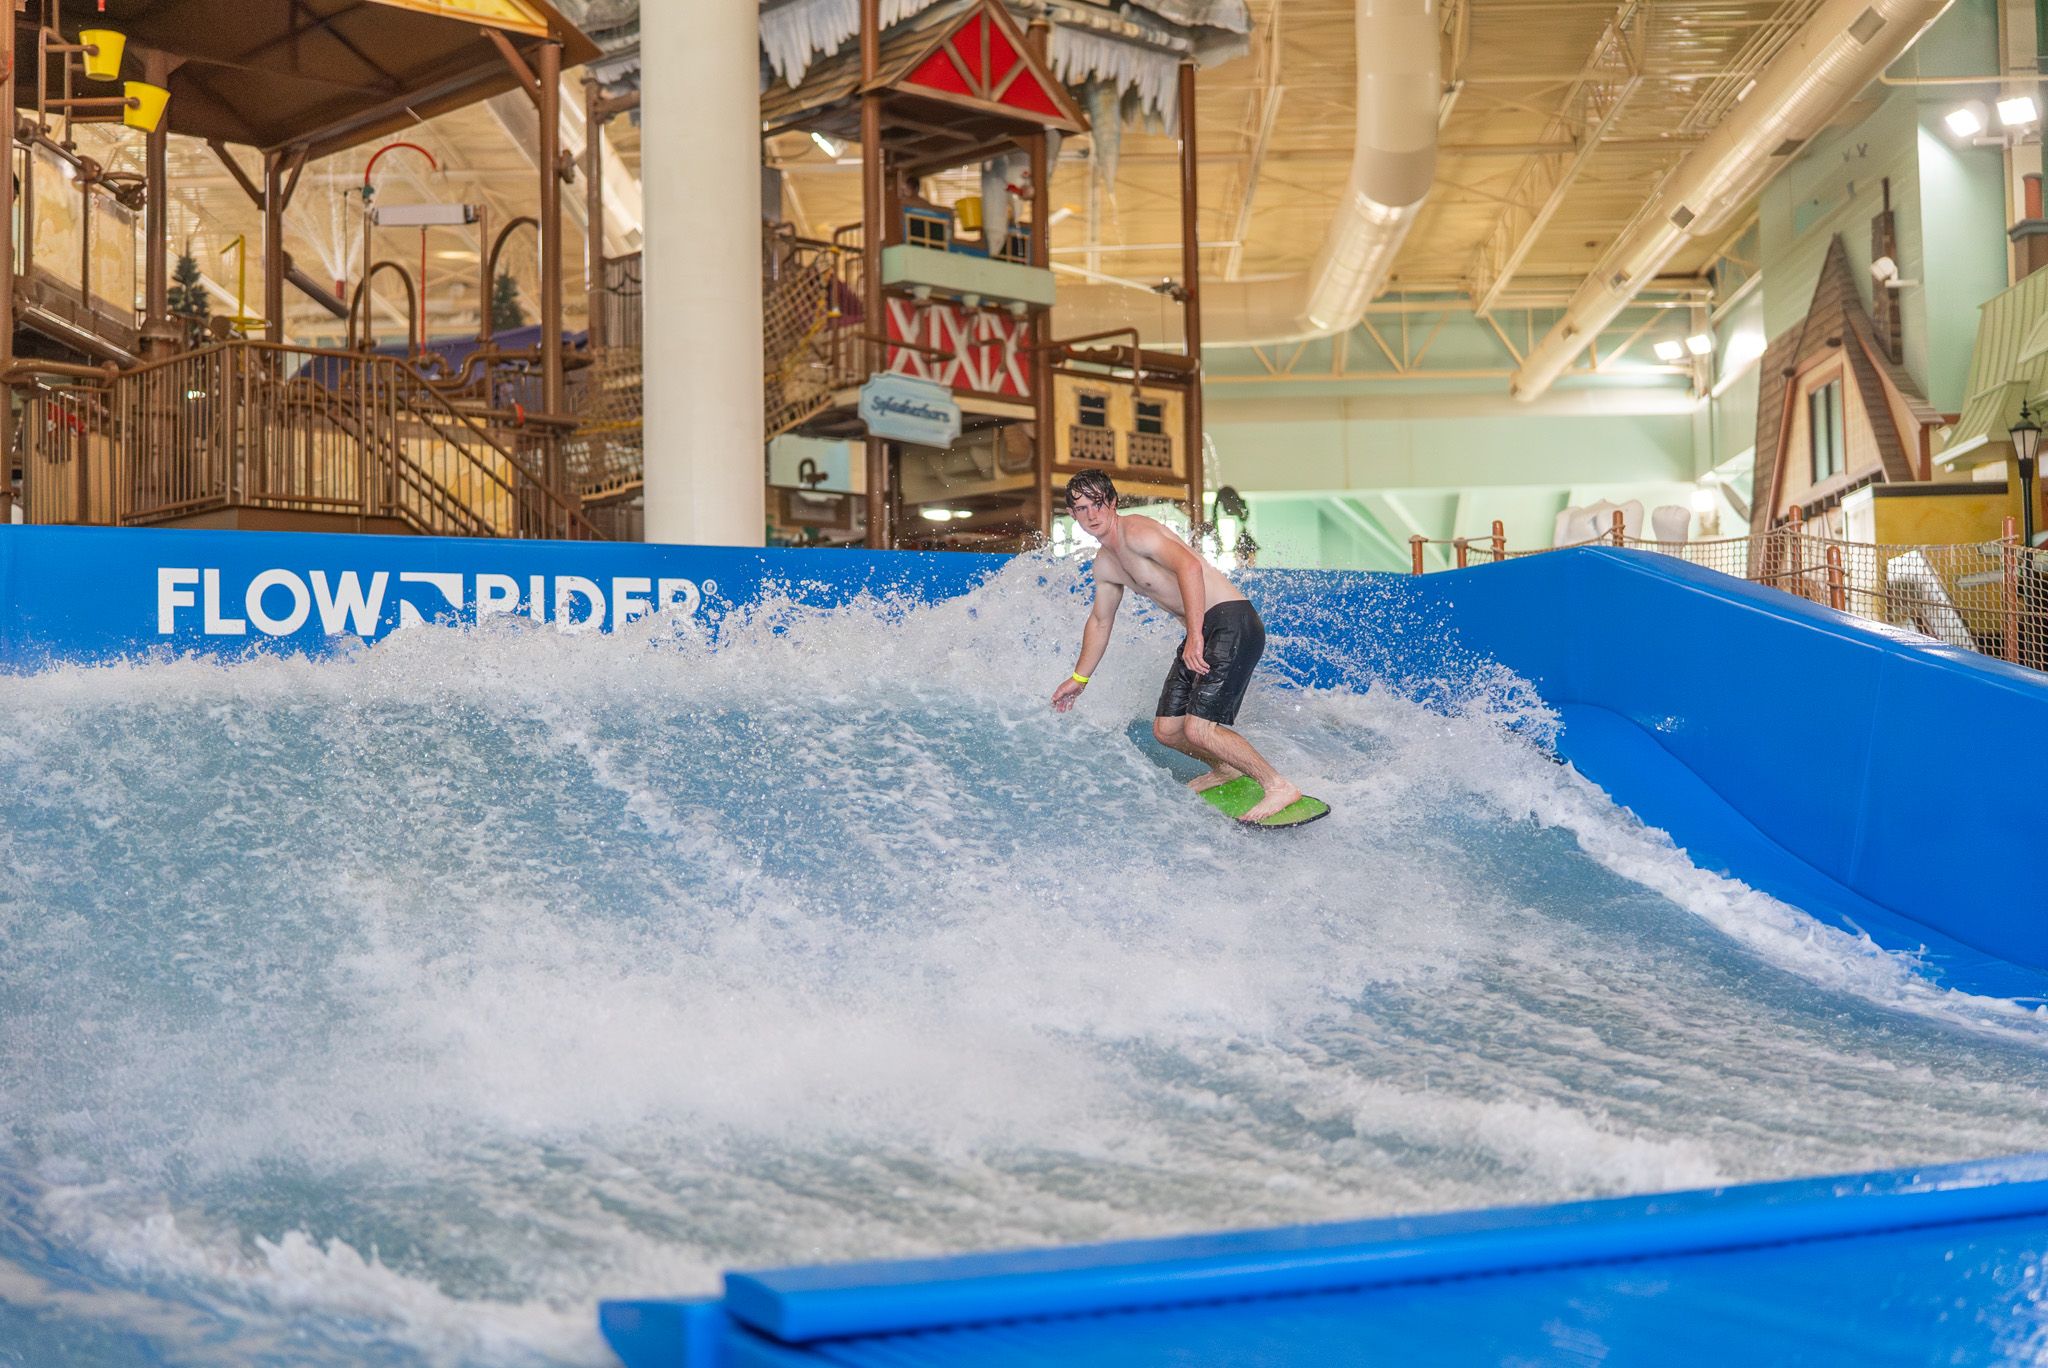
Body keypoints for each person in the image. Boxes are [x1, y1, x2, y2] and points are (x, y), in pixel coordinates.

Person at [1049, 469, 1302, 823]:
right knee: (1167, 731)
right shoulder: (1106, 564)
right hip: (1205, 628)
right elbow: (1100, 621)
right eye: (1081, 507)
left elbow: (1189, 567)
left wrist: (1195, 635)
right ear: (1072, 514)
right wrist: (1079, 679)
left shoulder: (1137, 531)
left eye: (1098, 503)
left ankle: (1278, 785)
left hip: (1231, 622)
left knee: (1199, 728)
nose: (1091, 514)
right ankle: (1225, 768)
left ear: (1113, 502)